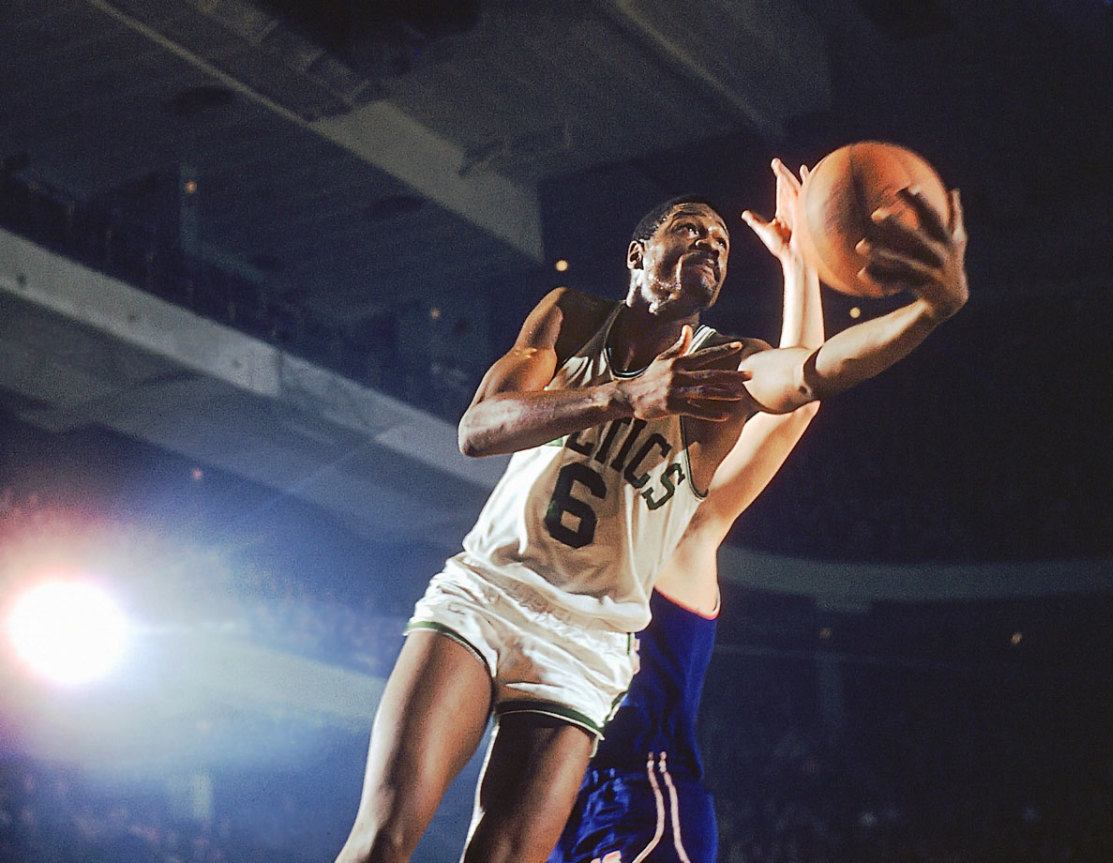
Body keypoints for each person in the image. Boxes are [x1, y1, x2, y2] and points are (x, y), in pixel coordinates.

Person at [334, 158, 968, 863]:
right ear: (639, 254)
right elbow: (476, 429)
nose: (711, 247)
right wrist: (621, 396)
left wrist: (925, 311)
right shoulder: (571, 316)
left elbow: (812, 372)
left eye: (724, 246)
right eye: (692, 231)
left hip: (587, 643)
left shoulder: (725, 368)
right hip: (491, 592)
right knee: (385, 837)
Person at [549, 160, 827, 863]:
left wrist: (800, 267)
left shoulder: (688, 525)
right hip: (542, 784)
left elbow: (796, 403)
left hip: (636, 790)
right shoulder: (561, 523)